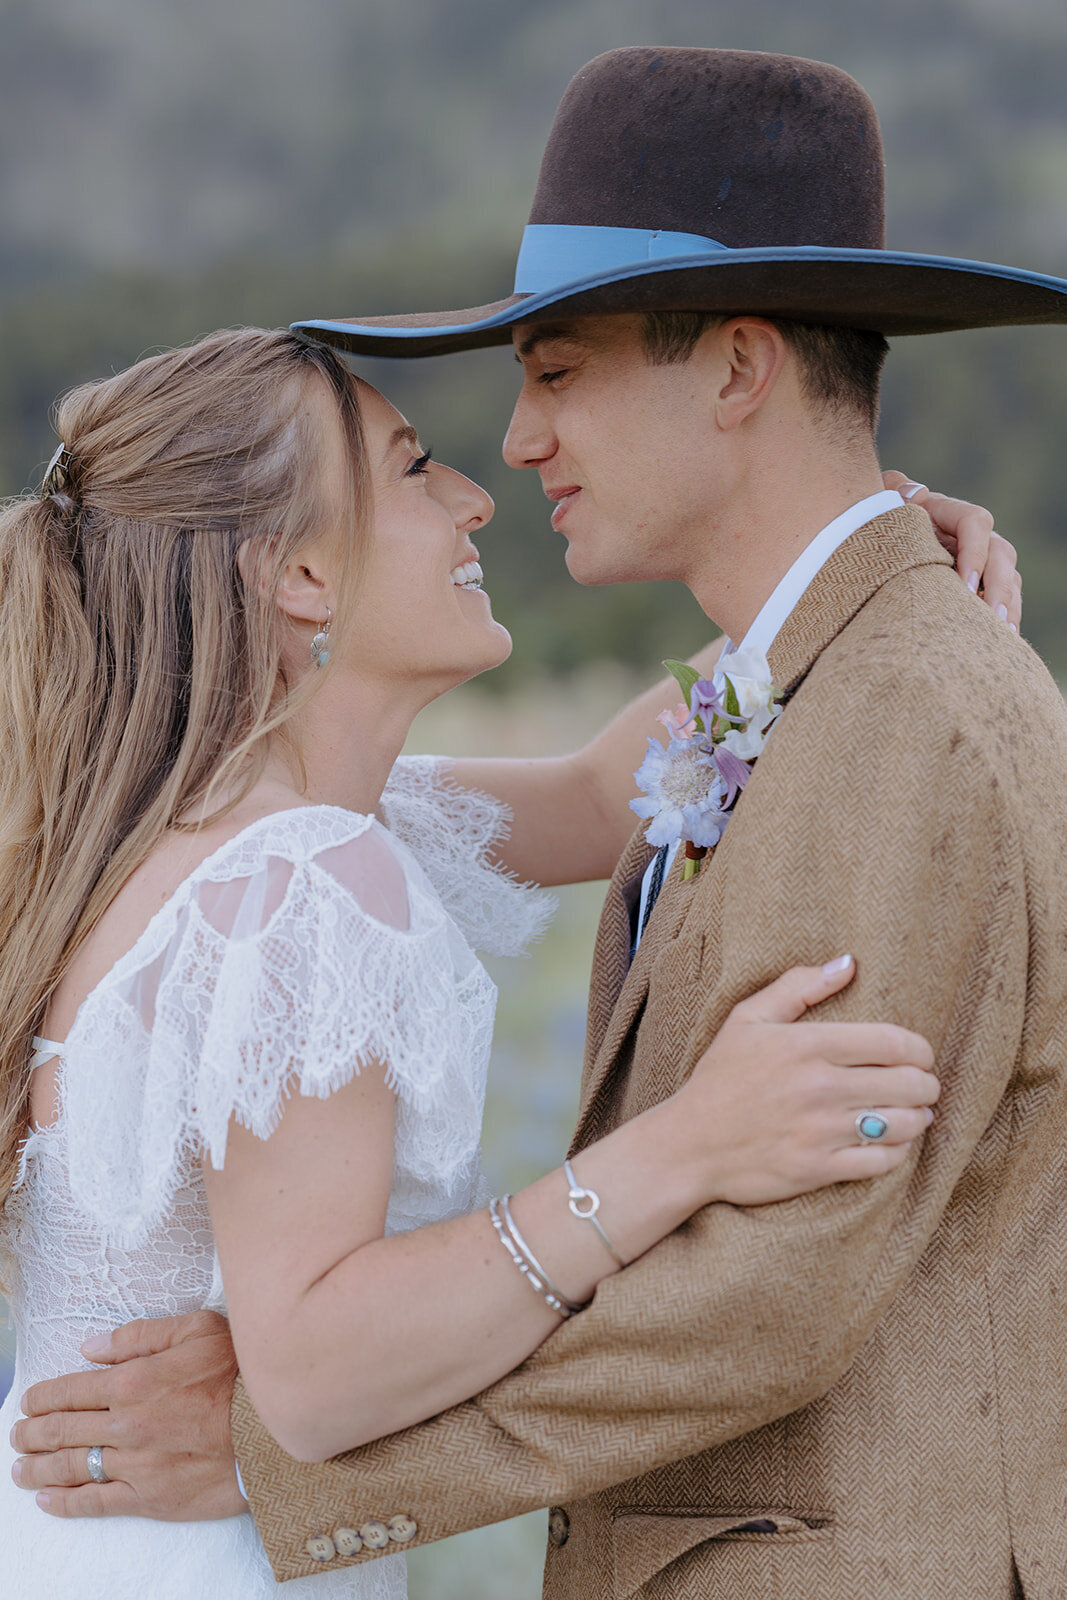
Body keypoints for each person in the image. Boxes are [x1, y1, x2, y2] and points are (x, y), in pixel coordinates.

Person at [11, 46, 1065, 1600]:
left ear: (738, 370)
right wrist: (686, 1148)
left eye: (553, 373)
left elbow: (776, 1280)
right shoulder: (294, 855)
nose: (504, 456)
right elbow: (608, 794)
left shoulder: (899, 711)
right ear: (295, 579)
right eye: (421, 462)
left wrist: (872, 544)